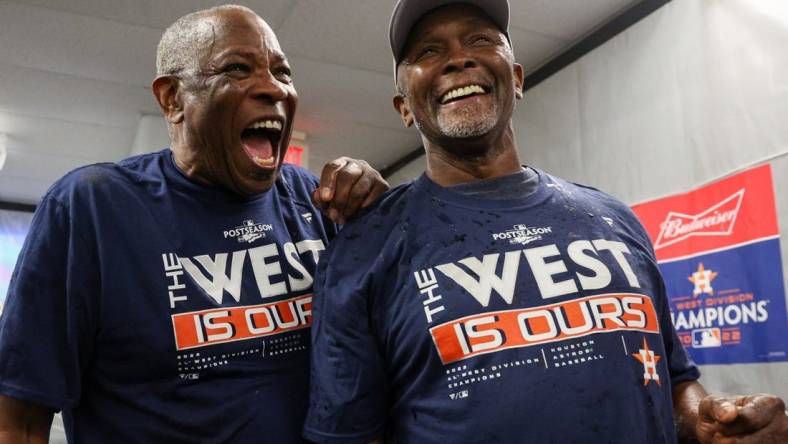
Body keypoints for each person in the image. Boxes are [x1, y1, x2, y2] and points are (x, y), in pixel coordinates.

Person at [303, 0, 788, 442]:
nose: (458, 59)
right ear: (405, 107)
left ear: (516, 77)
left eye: (480, 40)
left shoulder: (612, 218)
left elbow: (674, 378)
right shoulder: (364, 247)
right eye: (429, 51)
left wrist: (707, 419)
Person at [0, 5, 388, 443]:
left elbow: (381, 367)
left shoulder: (315, 201)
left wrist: (382, 216)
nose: (272, 88)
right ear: (172, 98)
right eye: (238, 69)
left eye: (282, 72)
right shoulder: (92, 206)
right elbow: (18, 420)